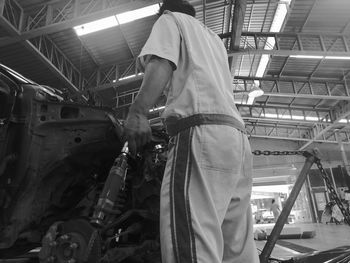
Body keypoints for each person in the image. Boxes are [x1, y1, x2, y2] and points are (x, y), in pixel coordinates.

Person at [124, 0, 259, 262]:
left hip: (201, 135)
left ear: (164, 11)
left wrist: (138, 112)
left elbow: (162, 61)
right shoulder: (213, 40)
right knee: (237, 248)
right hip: (237, 141)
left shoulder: (169, 20)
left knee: (193, 246)